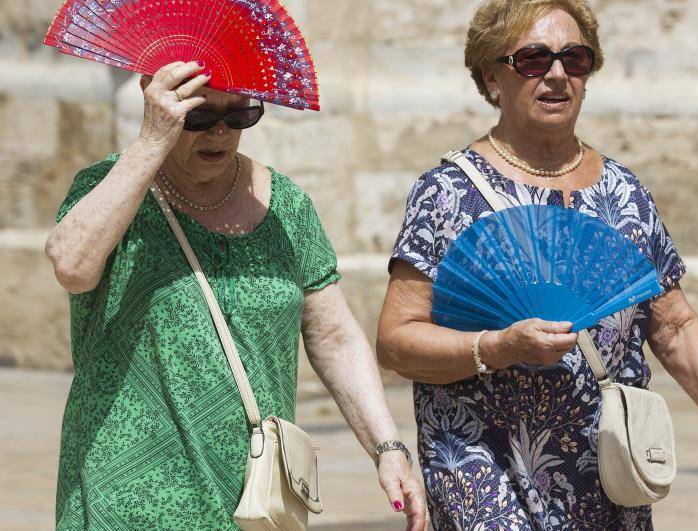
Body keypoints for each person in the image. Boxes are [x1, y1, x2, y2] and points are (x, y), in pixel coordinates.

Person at [377, 1, 698, 529]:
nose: (558, 74)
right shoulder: (448, 194)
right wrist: (499, 347)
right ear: (492, 76)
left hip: (608, 473)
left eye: (575, 59)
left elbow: (673, 324)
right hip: (486, 474)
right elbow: (397, 339)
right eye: (535, 59)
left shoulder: (623, 193)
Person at [45, 61, 426, 530]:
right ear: (158, 100)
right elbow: (72, 268)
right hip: (127, 500)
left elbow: (334, 336)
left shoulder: (285, 204)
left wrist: (387, 448)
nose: (221, 132)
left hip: (252, 501)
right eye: (200, 117)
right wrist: (149, 142)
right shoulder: (107, 188)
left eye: (240, 115)